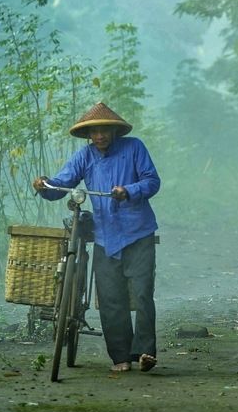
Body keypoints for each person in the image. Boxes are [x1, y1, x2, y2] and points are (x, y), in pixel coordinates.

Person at [33, 101, 160, 375]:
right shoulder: (85, 157)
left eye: (104, 130)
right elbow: (61, 184)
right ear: (88, 134)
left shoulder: (134, 147)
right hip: (105, 236)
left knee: (142, 293)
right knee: (111, 299)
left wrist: (129, 190)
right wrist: (44, 185)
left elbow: (152, 181)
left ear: (114, 131)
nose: (99, 136)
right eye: (94, 132)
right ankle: (121, 356)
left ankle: (146, 351)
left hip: (138, 232)